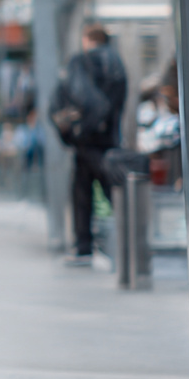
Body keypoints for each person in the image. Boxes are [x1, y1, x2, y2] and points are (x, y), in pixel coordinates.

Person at [60, 24, 127, 266]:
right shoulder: (118, 64)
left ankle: (84, 246)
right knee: (111, 189)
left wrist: (80, 128)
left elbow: (80, 95)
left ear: (88, 39)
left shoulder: (82, 61)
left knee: (82, 192)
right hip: (109, 138)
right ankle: (127, 236)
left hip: (87, 138)